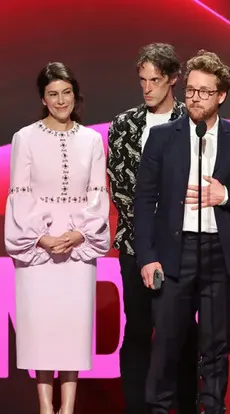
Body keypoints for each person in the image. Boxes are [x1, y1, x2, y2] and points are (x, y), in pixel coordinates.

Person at [134, 50, 230, 414]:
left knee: (215, 345)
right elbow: (144, 200)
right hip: (173, 254)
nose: (195, 98)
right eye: (191, 90)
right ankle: (158, 408)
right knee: (165, 343)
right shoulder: (163, 137)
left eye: (204, 92)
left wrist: (225, 195)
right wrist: (147, 257)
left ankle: (212, 407)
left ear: (221, 95)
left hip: (218, 255)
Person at [4, 62, 110, 414]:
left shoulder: (92, 139)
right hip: (38, 250)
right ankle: (46, 408)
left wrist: (79, 232)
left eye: (66, 92)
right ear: (43, 99)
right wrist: (42, 237)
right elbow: (20, 192)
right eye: (53, 94)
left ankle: (68, 408)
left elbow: (98, 192)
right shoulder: (25, 137)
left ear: (75, 95)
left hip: (78, 249)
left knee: (72, 330)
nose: (61, 100)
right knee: (42, 329)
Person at [107, 42, 198, 414]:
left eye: (155, 80)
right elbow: (121, 188)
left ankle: (184, 406)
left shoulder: (192, 121)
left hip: (182, 245)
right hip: (135, 245)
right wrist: (146, 242)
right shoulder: (124, 124)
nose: (147, 88)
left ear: (174, 78)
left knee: (183, 331)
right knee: (138, 330)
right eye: (142, 80)